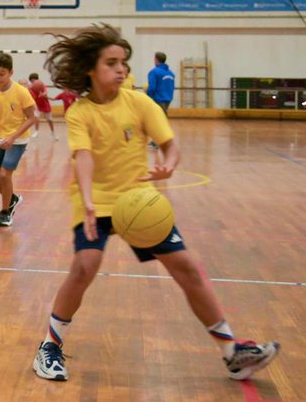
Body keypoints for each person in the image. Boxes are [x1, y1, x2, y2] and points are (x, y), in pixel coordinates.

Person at [32, 24, 279, 383]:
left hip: (139, 204)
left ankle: (232, 352)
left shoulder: (140, 102)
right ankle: (49, 347)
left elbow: (169, 143)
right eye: (112, 63)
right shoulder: (80, 112)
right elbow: (82, 157)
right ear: (91, 68)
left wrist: (170, 163)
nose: (121, 69)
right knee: (85, 265)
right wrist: (86, 202)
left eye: (124, 63)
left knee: (187, 268)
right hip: (96, 202)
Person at [0, 53, 38, 227]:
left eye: (1, 74)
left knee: (5, 175)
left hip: (18, 140)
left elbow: (31, 118)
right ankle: (12, 198)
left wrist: (13, 137)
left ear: (11, 72)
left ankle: (5, 212)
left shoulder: (22, 92)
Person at [27, 73, 56, 139]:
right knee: (36, 117)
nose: (33, 81)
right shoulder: (30, 88)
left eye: (34, 80)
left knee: (50, 120)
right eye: (32, 80)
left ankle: (53, 132)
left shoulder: (41, 85)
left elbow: (45, 92)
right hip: (38, 106)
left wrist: (43, 94)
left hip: (45, 105)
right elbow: (31, 97)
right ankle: (36, 132)